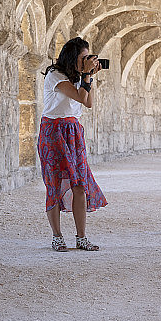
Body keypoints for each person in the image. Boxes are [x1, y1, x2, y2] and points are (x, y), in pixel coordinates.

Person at [38, 36, 107, 251]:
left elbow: (87, 103)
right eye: (84, 57)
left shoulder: (79, 78)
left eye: (89, 57)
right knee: (55, 184)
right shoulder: (55, 75)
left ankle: (81, 237)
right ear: (72, 57)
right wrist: (86, 76)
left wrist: (89, 77)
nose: (88, 61)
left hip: (73, 132)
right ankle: (57, 236)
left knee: (79, 185)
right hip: (53, 131)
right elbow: (78, 96)